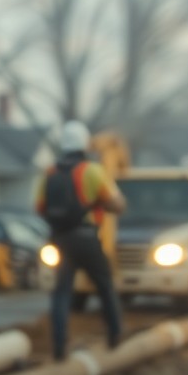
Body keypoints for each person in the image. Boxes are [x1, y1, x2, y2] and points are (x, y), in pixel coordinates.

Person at [36, 120, 126, 360]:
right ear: (85, 144)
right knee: (105, 286)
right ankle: (115, 336)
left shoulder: (50, 173)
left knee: (61, 293)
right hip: (86, 238)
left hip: (60, 240)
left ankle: (59, 348)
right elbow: (118, 205)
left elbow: (39, 207)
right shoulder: (92, 171)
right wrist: (99, 203)